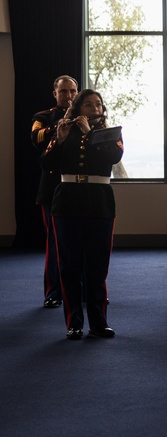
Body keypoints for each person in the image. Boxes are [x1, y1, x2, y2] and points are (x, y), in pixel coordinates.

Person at [42, 89, 122, 339]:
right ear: (78, 109)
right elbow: (47, 164)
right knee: (69, 265)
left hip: (100, 203)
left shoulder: (110, 134)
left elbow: (114, 156)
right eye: (88, 104)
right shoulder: (64, 130)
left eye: (98, 104)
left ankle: (99, 322)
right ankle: (73, 321)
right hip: (67, 202)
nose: (95, 108)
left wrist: (90, 133)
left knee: (98, 266)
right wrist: (61, 139)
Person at [30, 75, 79, 309]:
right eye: (64, 92)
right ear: (55, 94)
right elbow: (36, 138)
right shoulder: (43, 117)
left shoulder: (87, 117)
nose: (69, 96)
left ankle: (84, 289)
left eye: (72, 91)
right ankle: (53, 292)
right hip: (52, 189)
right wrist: (62, 124)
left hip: (80, 188)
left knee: (83, 241)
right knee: (55, 243)